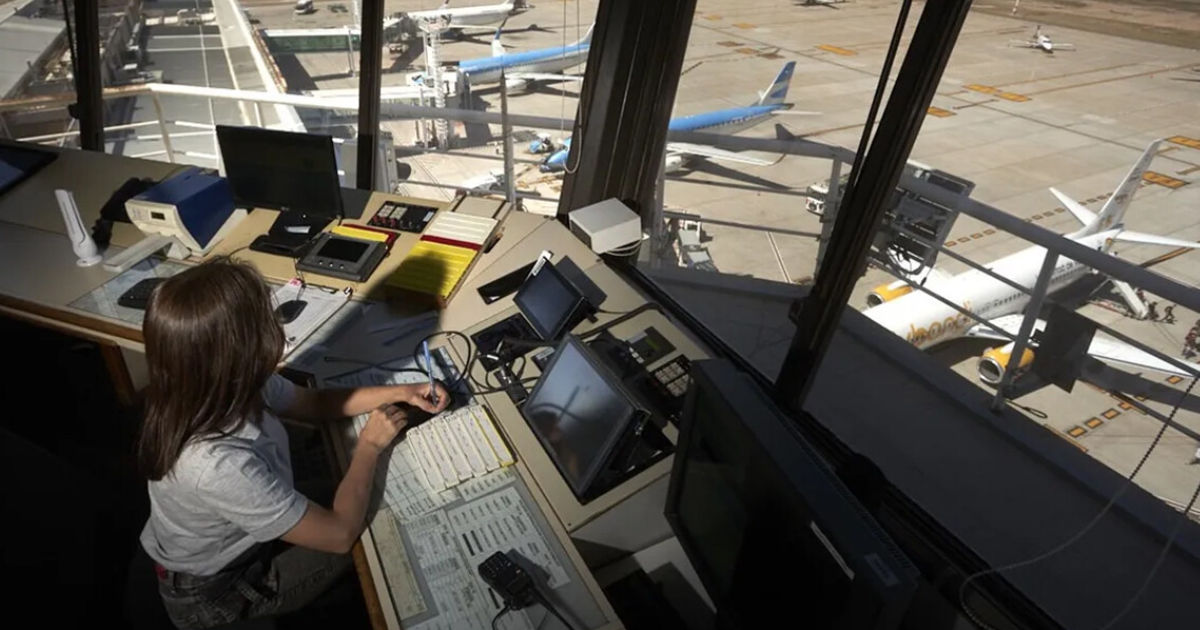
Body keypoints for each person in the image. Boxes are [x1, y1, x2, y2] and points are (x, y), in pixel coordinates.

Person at [137, 258, 449, 629]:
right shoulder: (214, 465)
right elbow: (338, 534)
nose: (278, 327)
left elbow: (314, 402)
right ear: (236, 354)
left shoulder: (218, 383)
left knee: (368, 488)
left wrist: (402, 390)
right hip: (219, 589)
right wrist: (368, 446)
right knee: (379, 518)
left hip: (240, 533)